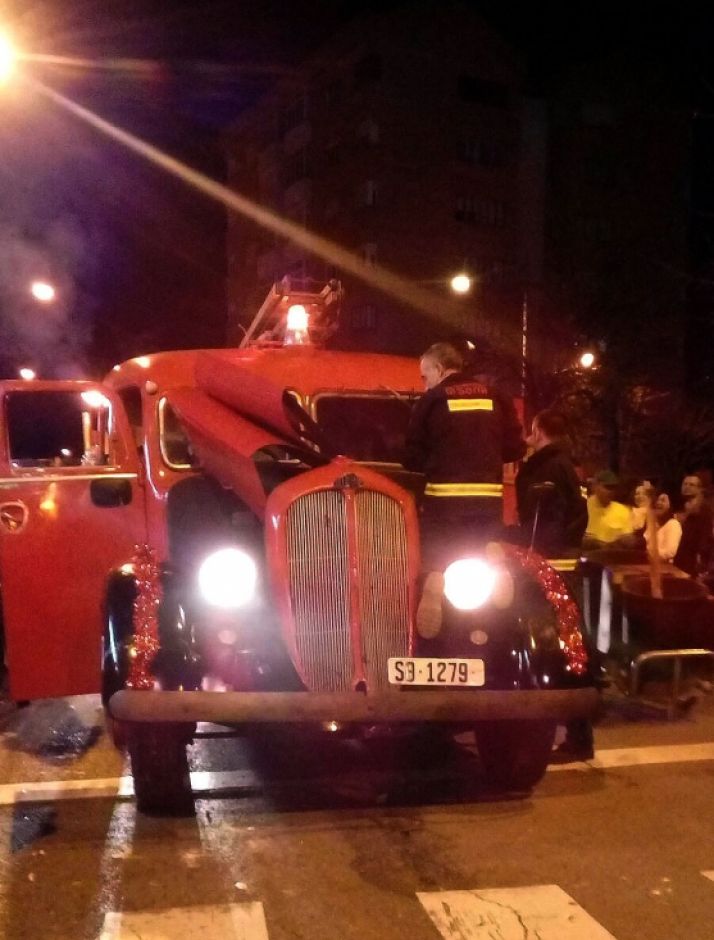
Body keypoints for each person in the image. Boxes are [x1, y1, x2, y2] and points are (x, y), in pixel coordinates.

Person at [404, 341, 525, 631]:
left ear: (439, 368)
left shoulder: (432, 400)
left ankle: (434, 578)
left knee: (438, 551)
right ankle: (494, 558)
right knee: (482, 543)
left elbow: (411, 457)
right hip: (486, 500)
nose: (425, 383)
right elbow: (514, 449)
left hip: (444, 501)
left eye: (425, 375)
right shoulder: (496, 397)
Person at [515, 409, 587, 556]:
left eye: (533, 431)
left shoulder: (543, 467)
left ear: (538, 432)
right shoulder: (568, 464)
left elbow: (537, 516)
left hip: (546, 549)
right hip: (566, 546)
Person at [674, 473, 714, 577]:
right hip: (681, 560)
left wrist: (700, 558)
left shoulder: (704, 509)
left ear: (700, 489)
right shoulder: (687, 507)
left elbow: (706, 534)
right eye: (685, 484)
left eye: (692, 485)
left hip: (692, 563)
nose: (687, 487)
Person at [583, 470, 634, 549]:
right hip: (588, 555)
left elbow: (629, 538)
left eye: (613, 488)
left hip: (613, 556)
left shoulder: (622, 510)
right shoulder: (583, 508)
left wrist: (625, 541)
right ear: (595, 487)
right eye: (607, 487)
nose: (611, 491)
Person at [644, 490, 682, 562]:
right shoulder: (653, 524)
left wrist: (647, 553)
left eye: (663, 500)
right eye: (657, 500)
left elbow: (670, 552)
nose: (658, 503)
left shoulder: (673, 524)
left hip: (664, 568)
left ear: (670, 506)